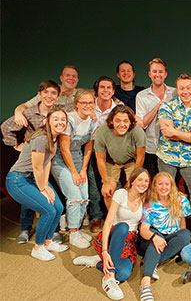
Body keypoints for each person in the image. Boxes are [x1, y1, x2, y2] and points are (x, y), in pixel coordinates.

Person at [1, 80, 67, 244]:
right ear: (39, 94)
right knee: (33, 200)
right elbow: (5, 127)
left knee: (52, 202)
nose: (49, 96)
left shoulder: (58, 119)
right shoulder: (29, 113)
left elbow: (45, 164)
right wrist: (17, 145)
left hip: (43, 163)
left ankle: (50, 235)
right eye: (46, 92)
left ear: (58, 96)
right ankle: (26, 228)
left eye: (53, 93)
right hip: (30, 164)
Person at [73, 168, 151, 300]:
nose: (143, 183)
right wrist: (104, 250)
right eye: (140, 179)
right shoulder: (121, 193)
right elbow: (108, 222)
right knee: (123, 227)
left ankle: (97, 262)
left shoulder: (145, 200)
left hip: (129, 242)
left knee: (123, 275)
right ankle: (108, 278)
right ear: (132, 181)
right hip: (114, 235)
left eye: (146, 181)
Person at [5, 108, 69, 261]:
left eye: (63, 119)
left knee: (58, 207)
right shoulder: (41, 137)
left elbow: (46, 164)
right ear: (47, 121)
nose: (60, 122)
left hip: (34, 178)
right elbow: (37, 167)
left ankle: (48, 242)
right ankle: (38, 247)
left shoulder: (54, 138)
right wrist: (43, 189)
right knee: (48, 210)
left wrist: (46, 185)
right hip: (18, 179)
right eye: (56, 119)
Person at [51, 89, 97, 249]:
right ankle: (73, 233)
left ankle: (76, 229)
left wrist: (83, 169)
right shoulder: (69, 120)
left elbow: (89, 147)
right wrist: (73, 172)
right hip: (61, 160)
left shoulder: (92, 121)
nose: (88, 105)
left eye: (90, 102)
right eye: (84, 102)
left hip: (78, 159)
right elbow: (64, 149)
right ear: (76, 104)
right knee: (74, 196)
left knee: (84, 197)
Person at [138, 171, 191, 301]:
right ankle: (145, 283)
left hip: (171, 236)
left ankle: (153, 261)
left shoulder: (181, 200)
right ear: (155, 186)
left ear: (172, 185)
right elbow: (143, 229)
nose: (163, 187)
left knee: (186, 234)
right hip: (152, 236)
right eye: (160, 184)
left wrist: (181, 243)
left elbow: (182, 225)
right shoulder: (150, 204)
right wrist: (154, 237)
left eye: (167, 184)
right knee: (155, 241)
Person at [156, 73, 191, 214]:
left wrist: (176, 132)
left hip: (188, 158)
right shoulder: (167, 106)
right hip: (167, 157)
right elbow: (167, 133)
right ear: (177, 90)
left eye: (188, 88)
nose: (185, 91)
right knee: (165, 192)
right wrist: (187, 135)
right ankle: (167, 222)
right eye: (182, 88)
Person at [94, 105, 146, 209]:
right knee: (108, 191)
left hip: (132, 161)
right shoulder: (102, 132)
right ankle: (113, 220)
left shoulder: (137, 131)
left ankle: (133, 218)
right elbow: (100, 159)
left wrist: (133, 180)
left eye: (125, 121)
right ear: (111, 121)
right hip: (112, 161)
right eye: (118, 121)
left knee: (135, 188)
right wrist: (106, 181)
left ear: (130, 122)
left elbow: (141, 157)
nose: (122, 125)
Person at [136, 58, 177, 178]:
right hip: (151, 148)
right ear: (149, 74)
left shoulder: (174, 92)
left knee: (169, 184)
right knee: (153, 182)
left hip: (171, 147)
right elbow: (142, 123)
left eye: (160, 72)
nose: (157, 75)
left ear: (165, 74)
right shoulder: (141, 96)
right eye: (154, 71)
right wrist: (158, 107)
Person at [87, 76, 119, 233]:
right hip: (91, 150)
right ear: (97, 90)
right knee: (94, 186)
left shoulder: (118, 109)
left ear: (113, 91)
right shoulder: (89, 106)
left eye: (109, 88)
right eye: (102, 87)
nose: (105, 90)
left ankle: (113, 217)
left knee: (113, 186)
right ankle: (96, 217)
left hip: (113, 153)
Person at [14, 65, 79, 127]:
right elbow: (25, 106)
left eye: (74, 76)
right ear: (61, 78)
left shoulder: (80, 95)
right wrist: (18, 113)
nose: (71, 78)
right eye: (67, 75)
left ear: (77, 80)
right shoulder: (48, 94)